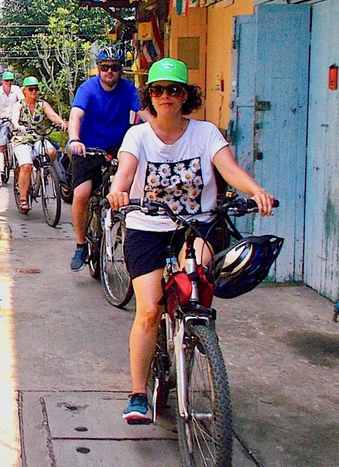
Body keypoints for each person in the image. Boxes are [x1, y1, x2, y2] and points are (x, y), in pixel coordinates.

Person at [105, 58, 275, 424]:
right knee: (149, 309)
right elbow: (125, 172)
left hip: (196, 227)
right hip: (146, 228)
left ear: (186, 96)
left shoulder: (206, 133)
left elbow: (229, 169)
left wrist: (256, 191)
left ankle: (190, 336)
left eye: (174, 90)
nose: (166, 96)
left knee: (194, 287)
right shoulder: (138, 135)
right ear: (150, 96)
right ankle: (137, 394)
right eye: (158, 90)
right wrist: (119, 192)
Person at [67, 45, 141, 271]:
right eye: (105, 67)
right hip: (88, 147)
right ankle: (80, 244)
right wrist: (74, 139)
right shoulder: (87, 89)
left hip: (119, 146)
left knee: (134, 189)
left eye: (115, 68)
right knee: (81, 193)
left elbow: (145, 114)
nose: (110, 72)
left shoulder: (129, 89)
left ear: (121, 70)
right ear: (98, 69)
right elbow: (75, 115)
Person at [11, 76, 66, 213]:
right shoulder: (19, 105)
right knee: (26, 165)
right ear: (24, 91)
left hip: (38, 137)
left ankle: (45, 172)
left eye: (36, 89)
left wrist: (61, 123)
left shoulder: (42, 104)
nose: (34, 92)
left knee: (51, 151)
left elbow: (52, 115)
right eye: (31, 89)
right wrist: (17, 125)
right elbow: (14, 119)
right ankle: (23, 198)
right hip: (21, 138)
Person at [0, 71, 24, 161]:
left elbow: (22, 101)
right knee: (1, 145)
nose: (9, 83)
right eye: (6, 81)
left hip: (15, 119)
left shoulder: (16, 89)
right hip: (2, 120)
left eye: (10, 81)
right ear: (2, 81)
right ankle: (1, 165)